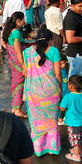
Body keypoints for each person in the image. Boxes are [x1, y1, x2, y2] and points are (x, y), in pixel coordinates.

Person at [22, 27, 62, 157]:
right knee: (51, 121)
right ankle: (52, 148)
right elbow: (57, 74)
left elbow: (26, 72)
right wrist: (60, 89)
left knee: (37, 121)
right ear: (50, 40)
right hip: (51, 92)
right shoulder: (54, 51)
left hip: (34, 93)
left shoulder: (27, 52)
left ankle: (39, 148)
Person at [59, 75, 82, 163]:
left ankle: (76, 156)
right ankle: (79, 152)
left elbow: (62, 108)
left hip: (73, 124)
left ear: (70, 85)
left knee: (75, 140)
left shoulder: (68, 97)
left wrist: (61, 117)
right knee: (80, 138)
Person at [3, 12, 27, 119]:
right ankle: (17, 109)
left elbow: (4, 44)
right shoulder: (16, 33)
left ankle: (15, 107)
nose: (24, 22)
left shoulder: (9, 32)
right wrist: (23, 65)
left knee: (16, 83)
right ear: (18, 21)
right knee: (19, 85)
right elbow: (18, 51)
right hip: (18, 62)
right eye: (23, 19)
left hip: (12, 62)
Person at [63, 0, 82, 77]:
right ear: (72, 6)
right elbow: (70, 39)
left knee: (79, 75)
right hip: (76, 53)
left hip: (81, 52)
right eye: (80, 6)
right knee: (75, 78)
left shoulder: (77, 15)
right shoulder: (71, 18)